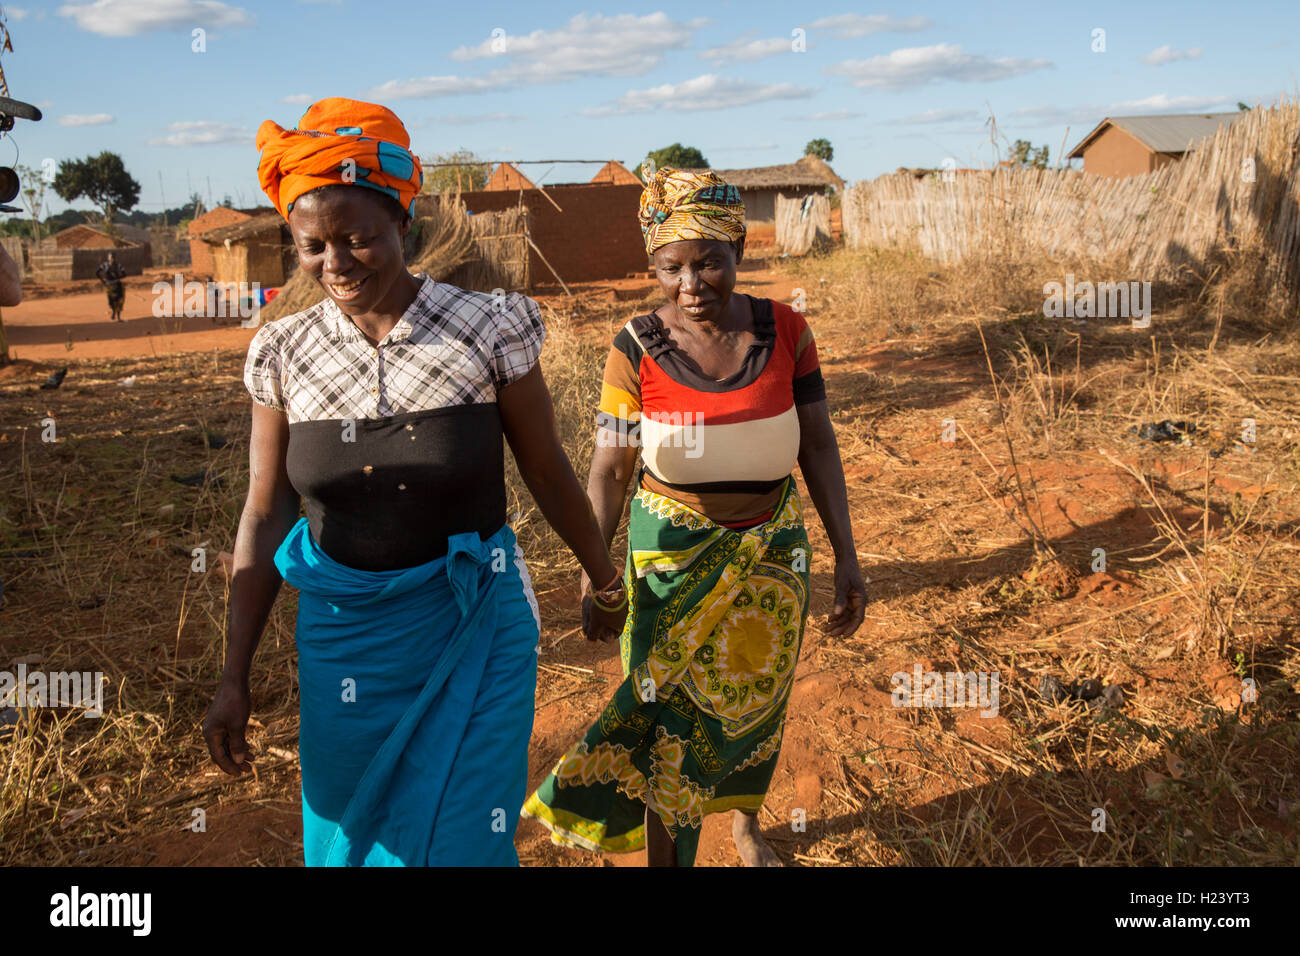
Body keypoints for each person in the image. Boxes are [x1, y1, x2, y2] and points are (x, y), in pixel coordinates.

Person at [200, 97, 627, 866]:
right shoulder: (282, 352)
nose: (335, 264)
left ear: (405, 225)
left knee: (464, 835)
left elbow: (545, 468)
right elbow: (265, 513)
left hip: (475, 622)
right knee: (356, 839)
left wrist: (605, 581)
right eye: (311, 247)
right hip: (346, 637)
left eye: (357, 239)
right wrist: (233, 676)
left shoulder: (488, 325)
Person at [522, 167, 867, 867]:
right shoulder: (634, 345)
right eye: (671, 267)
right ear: (653, 265)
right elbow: (610, 467)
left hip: (771, 554)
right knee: (662, 718)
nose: (692, 283)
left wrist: (848, 557)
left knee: (752, 702)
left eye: (709, 261)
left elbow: (821, 448)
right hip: (668, 560)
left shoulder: (787, 331)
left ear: (738, 251)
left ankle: (744, 824)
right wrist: (599, 571)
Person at [95, 251, 126, 322]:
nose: (112, 258)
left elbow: (125, 274)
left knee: (119, 301)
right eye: (111, 257)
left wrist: (118, 277)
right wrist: (102, 280)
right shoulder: (105, 265)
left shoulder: (118, 265)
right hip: (109, 286)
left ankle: (118, 317)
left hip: (118, 285)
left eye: (113, 257)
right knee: (111, 301)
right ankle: (113, 311)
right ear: (108, 258)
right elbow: (97, 272)